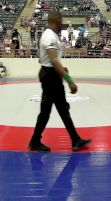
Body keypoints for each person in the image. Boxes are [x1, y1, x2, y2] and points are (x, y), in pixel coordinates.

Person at [29, 10, 91, 152]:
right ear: (57, 21)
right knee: (48, 111)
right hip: (52, 78)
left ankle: (75, 139)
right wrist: (69, 80)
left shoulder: (48, 35)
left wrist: (60, 69)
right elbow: (53, 60)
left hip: (51, 75)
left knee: (61, 110)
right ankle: (35, 141)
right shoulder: (50, 37)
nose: (62, 24)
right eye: (61, 22)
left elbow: (44, 59)